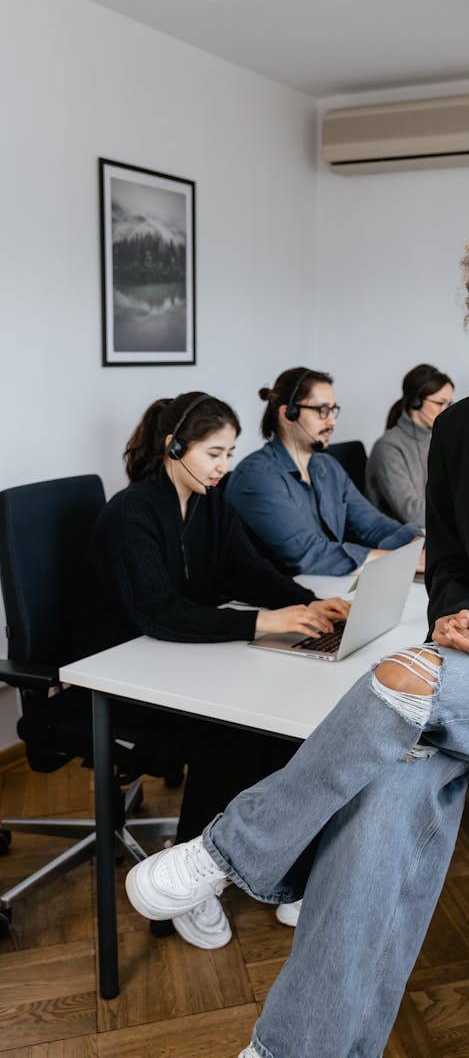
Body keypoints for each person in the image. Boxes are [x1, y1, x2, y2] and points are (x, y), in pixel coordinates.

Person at [125, 197, 469, 1058]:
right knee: (388, 791)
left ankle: (230, 850)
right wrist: (457, 613)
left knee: (400, 678)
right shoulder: (463, 427)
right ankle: (291, 1050)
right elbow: (454, 556)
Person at [87, 391, 349, 948]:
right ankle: (189, 877)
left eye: (229, 453)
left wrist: (307, 604)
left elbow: (249, 570)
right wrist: (264, 623)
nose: (224, 466)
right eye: (213, 453)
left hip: (183, 660)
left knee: (280, 727)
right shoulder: (132, 513)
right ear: (173, 447)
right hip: (122, 676)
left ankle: (275, 863)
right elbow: (159, 613)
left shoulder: (209, 502)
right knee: (228, 732)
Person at [225, 367, 423, 575]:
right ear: (288, 414)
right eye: (322, 411)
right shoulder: (256, 477)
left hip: (326, 586)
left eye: (332, 410)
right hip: (281, 597)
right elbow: (308, 554)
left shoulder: (327, 468)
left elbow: (373, 525)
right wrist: (402, 560)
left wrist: (417, 544)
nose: (332, 421)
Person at [365, 363, 454, 529]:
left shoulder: (433, 440)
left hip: (428, 533)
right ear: (416, 402)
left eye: (449, 404)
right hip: (401, 540)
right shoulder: (388, 448)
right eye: (439, 403)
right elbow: (413, 514)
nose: (446, 411)